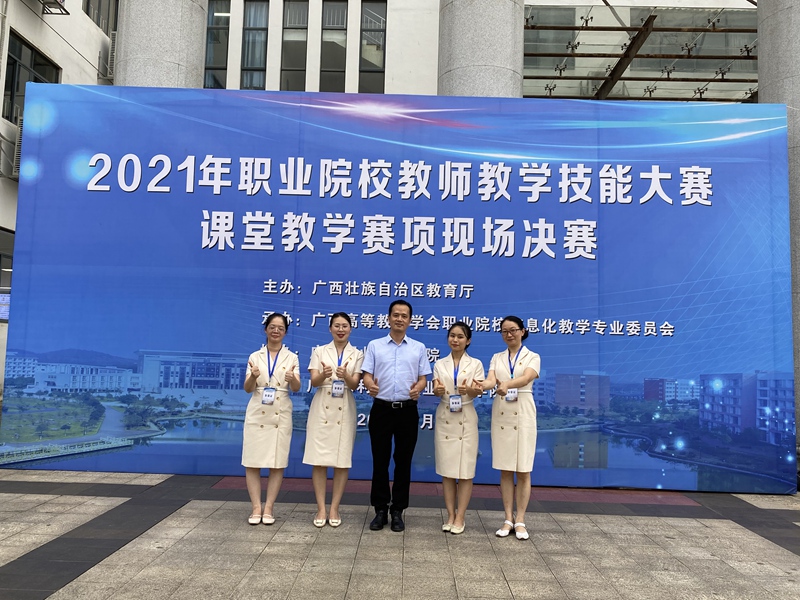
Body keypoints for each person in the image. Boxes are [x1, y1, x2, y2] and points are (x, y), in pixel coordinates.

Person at [362, 300, 431, 532]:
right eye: (396, 315)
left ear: (410, 320)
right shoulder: (375, 345)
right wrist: (370, 384)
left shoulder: (418, 348)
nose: (399, 319)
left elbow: (423, 377)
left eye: (404, 316)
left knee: (403, 461)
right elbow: (366, 374)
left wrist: (418, 388)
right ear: (388, 318)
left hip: (407, 410)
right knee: (380, 461)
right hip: (381, 409)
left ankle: (398, 510)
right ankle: (380, 509)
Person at [481, 316, 540, 540]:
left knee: (523, 469)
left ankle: (521, 519)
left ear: (523, 331)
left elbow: (526, 378)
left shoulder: (533, 356)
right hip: (503, 413)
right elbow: (491, 380)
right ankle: (507, 518)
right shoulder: (497, 357)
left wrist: (506, 384)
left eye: (513, 330)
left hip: (524, 411)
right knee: (506, 469)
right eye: (504, 331)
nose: (509, 334)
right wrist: (481, 386)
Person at [303, 312, 364, 528]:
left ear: (350, 329)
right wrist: (325, 374)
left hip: (344, 405)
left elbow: (354, 385)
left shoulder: (357, 354)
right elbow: (314, 381)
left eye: (344, 326)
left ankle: (334, 508)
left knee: (341, 460)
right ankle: (321, 507)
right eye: (336, 325)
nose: (340, 329)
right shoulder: (319, 351)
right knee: (319, 460)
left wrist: (345, 375)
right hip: (322, 406)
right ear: (330, 328)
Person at [242, 313, 301, 525]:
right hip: (257, 410)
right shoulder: (255, 356)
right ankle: (256, 507)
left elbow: (296, 388)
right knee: (252, 462)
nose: (276, 331)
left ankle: (268, 507)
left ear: (285, 332)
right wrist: (253, 376)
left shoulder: (291, 357)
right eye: (272, 327)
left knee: (277, 463)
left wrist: (292, 379)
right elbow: (248, 388)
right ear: (266, 329)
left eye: (281, 328)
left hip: (280, 412)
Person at [431, 322, 484, 535]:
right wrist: (437, 390)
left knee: (465, 471)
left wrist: (469, 389)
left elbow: (479, 391)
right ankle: (450, 515)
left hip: (466, 416)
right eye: (452, 336)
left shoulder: (476, 364)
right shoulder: (439, 363)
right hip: (445, 416)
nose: (455, 340)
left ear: (468, 340)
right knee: (447, 470)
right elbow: (436, 389)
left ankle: (460, 516)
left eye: (460, 336)